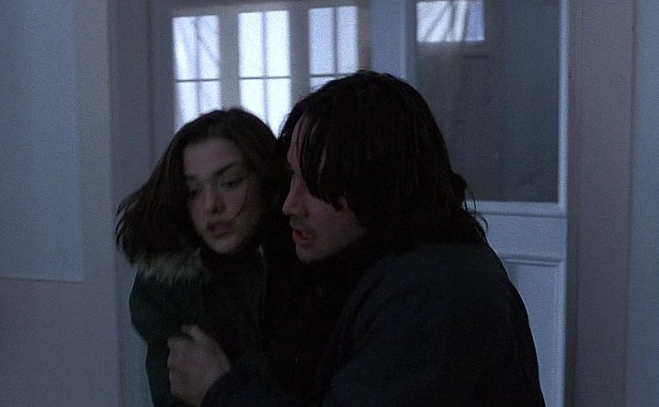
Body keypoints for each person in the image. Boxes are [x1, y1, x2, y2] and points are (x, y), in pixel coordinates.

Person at [167, 71, 545, 406]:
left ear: (376, 185)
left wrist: (220, 391)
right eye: (292, 176)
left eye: (315, 183)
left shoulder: (433, 289)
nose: (290, 204)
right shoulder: (368, 268)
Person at [116, 108, 291, 406]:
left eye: (231, 182)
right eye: (193, 191)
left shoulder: (308, 264)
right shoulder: (168, 286)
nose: (211, 205)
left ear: (267, 182)